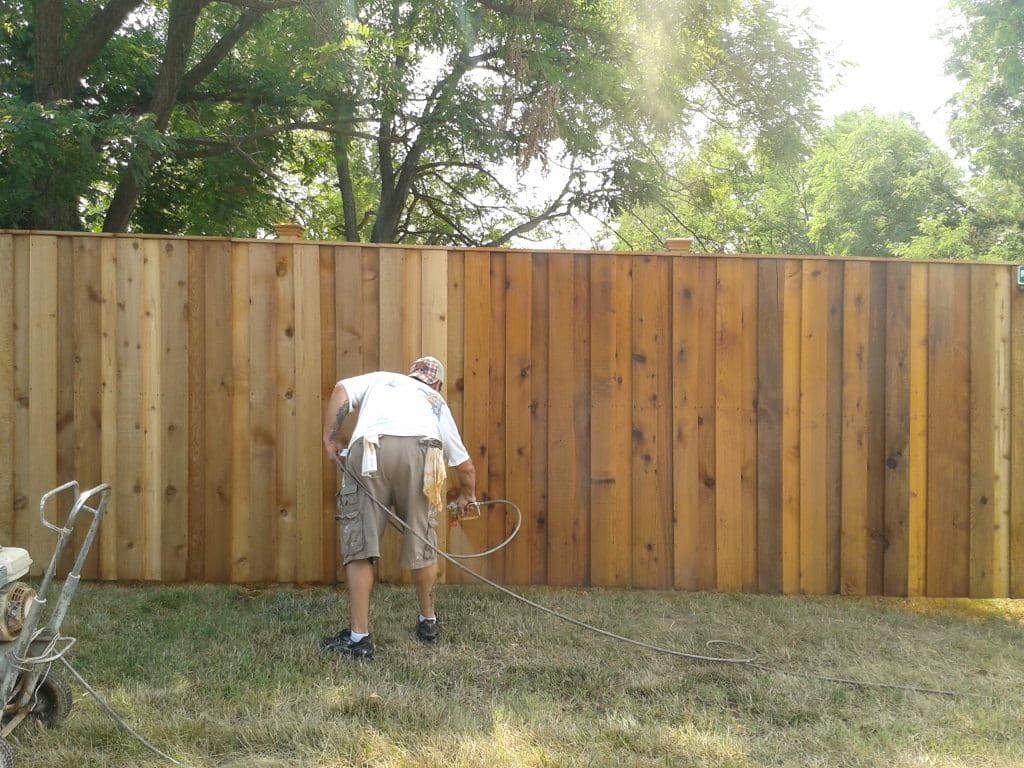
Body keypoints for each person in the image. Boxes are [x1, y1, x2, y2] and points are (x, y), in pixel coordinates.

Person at [320, 356, 477, 659]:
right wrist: (467, 495)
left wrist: (330, 440)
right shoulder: (435, 400)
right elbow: (465, 466)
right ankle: (428, 622)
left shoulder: (381, 379)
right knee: (421, 538)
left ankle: (359, 638)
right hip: (421, 452)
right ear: (438, 384)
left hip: (368, 450)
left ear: (411, 374)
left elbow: (341, 390)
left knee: (361, 543)